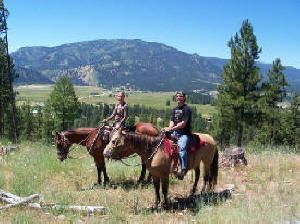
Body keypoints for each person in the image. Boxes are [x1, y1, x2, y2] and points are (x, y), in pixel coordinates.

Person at [164, 91, 192, 180]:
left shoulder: (186, 109)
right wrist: (169, 128)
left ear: (184, 98)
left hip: (184, 133)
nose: (178, 98)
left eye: (180, 96)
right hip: (174, 132)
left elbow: (183, 123)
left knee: (182, 149)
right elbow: (172, 120)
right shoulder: (174, 109)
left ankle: (183, 169)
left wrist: (173, 128)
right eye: (177, 96)